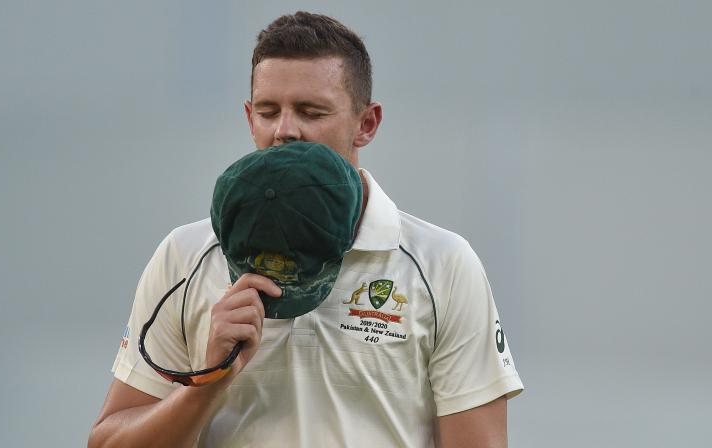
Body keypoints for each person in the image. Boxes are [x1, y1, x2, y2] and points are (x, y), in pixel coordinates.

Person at [89, 11, 523, 448]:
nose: (285, 131)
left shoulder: (442, 263)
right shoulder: (185, 254)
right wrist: (207, 382)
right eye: (268, 111)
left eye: (311, 112)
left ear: (366, 123)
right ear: (248, 118)